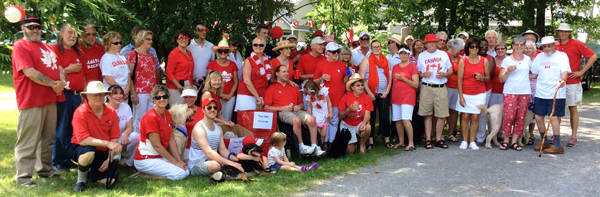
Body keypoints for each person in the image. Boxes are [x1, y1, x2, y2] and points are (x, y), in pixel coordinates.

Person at [12, 15, 66, 187]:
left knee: (47, 138)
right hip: (31, 99)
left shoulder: (47, 47)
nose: (35, 30)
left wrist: (62, 83)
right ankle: (23, 177)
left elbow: (59, 68)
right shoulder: (21, 46)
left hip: (50, 97)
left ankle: (45, 169)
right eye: (31, 27)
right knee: (28, 140)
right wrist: (53, 85)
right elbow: (30, 72)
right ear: (23, 28)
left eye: (37, 27)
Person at [70, 81, 122, 191]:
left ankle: (91, 171)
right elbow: (83, 140)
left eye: (101, 94)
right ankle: (81, 180)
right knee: (89, 153)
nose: (99, 97)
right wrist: (108, 143)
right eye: (95, 94)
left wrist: (109, 158)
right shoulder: (80, 112)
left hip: (103, 151)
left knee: (110, 182)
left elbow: (114, 138)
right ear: (87, 96)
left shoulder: (111, 112)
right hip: (82, 147)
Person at [264, 66, 326, 157]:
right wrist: (282, 108)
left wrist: (298, 106)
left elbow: (301, 104)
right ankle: (301, 147)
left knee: (311, 119)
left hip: (296, 110)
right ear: (277, 74)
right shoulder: (272, 88)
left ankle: (314, 146)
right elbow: (267, 107)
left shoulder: (294, 86)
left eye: (287, 72)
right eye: (283, 72)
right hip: (282, 112)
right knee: (296, 120)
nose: (286, 73)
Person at [555, 23, 598, 147]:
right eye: (561, 31)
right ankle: (556, 134)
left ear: (569, 33)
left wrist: (581, 71)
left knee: (572, 108)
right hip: (557, 82)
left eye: (566, 31)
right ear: (558, 32)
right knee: (557, 109)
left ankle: (574, 136)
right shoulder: (555, 45)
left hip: (572, 81)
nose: (563, 33)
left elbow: (593, 56)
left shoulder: (577, 44)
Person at [133, 85, 190, 180]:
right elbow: (157, 146)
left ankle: (148, 174)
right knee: (180, 174)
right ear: (154, 100)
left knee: (186, 170)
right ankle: (146, 176)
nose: (162, 99)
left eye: (164, 97)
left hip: (159, 157)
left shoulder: (167, 114)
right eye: (158, 97)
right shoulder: (151, 117)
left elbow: (171, 139)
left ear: (168, 98)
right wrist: (175, 163)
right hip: (145, 158)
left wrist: (179, 160)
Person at [51, 23, 84, 172]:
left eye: (75, 34)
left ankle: (67, 158)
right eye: (70, 33)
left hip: (77, 95)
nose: (73, 36)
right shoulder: (54, 50)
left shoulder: (76, 51)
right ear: (61, 34)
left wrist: (83, 94)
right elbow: (50, 73)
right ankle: (57, 160)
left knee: (73, 128)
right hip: (63, 94)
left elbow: (82, 75)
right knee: (61, 128)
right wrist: (67, 69)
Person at [531, 36, 571, 154]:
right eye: (544, 46)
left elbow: (564, 73)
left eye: (549, 46)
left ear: (554, 45)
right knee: (538, 117)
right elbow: (533, 74)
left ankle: (558, 146)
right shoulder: (539, 57)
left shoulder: (562, 56)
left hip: (556, 93)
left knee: (553, 117)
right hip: (540, 92)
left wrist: (562, 81)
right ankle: (545, 141)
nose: (547, 48)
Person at [188, 97, 244, 177]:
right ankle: (223, 171)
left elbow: (223, 150)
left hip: (212, 160)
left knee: (232, 162)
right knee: (215, 166)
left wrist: (235, 159)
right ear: (203, 110)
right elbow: (209, 152)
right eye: (209, 107)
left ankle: (222, 171)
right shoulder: (199, 128)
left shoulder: (218, 128)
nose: (212, 110)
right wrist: (231, 163)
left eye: (215, 107)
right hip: (197, 163)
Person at [416, 34, 453, 150]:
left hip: (441, 86)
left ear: (437, 43)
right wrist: (423, 75)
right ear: (425, 44)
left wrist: (445, 74)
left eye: (433, 42)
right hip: (427, 87)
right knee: (427, 115)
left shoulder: (444, 54)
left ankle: (438, 139)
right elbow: (417, 73)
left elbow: (451, 70)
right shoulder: (422, 56)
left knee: (441, 115)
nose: (431, 44)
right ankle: (428, 139)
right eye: (429, 43)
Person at [498, 36, 533, 151]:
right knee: (509, 116)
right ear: (513, 46)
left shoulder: (527, 59)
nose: (519, 47)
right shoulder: (507, 60)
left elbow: (532, 74)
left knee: (521, 117)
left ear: (524, 46)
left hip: (524, 92)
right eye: (517, 44)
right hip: (510, 91)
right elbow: (501, 79)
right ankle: (506, 139)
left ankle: (515, 141)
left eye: (521, 44)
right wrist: (508, 71)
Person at [356, 40, 392, 150]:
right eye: (374, 47)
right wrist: (370, 93)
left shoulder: (386, 60)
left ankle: (387, 140)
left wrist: (387, 92)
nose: (376, 49)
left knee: (385, 117)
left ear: (381, 48)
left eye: (378, 46)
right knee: (371, 118)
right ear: (371, 49)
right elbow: (362, 78)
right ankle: (370, 142)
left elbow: (389, 78)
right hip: (370, 94)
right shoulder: (366, 60)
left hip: (383, 94)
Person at [313, 42, 348, 150]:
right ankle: (323, 143)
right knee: (324, 122)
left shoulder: (342, 65)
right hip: (324, 100)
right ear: (327, 52)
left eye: (337, 51)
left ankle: (331, 143)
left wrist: (349, 74)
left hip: (338, 98)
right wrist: (321, 78)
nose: (336, 54)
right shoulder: (321, 64)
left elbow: (344, 81)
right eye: (333, 52)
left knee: (334, 122)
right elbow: (315, 81)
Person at [457, 37, 490, 151]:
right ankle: (465, 140)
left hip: (479, 92)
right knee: (465, 116)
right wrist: (461, 96)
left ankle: (472, 141)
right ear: (468, 48)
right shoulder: (463, 61)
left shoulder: (484, 61)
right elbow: (459, 80)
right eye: (472, 47)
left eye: (477, 47)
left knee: (476, 117)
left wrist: (482, 78)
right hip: (466, 92)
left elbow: (488, 78)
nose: (475, 49)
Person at [126, 30, 157, 136]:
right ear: (141, 40)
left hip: (152, 92)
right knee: (139, 120)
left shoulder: (151, 55)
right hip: (140, 91)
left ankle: (148, 144)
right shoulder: (133, 54)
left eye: (151, 39)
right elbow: (128, 75)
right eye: (147, 39)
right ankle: (136, 147)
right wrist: (133, 92)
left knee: (151, 119)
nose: (150, 41)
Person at [391, 45, 419, 151]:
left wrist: (403, 78)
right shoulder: (395, 67)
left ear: (408, 55)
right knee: (397, 120)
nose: (403, 55)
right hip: (396, 96)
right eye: (401, 53)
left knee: (405, 119)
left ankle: (411, 143)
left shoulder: (412, 67)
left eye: (405, 53)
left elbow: (416, 85)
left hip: (408, 96)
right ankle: (401, 142)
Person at [338, 74, 373, 154]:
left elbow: (368, 114)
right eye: (358, 85)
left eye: (362, 85)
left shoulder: (367, 97)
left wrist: (364, 123)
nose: (360, 87)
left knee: (367, 127)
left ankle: (362, 145)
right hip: (347, 124)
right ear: (352, 87)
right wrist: (349, 109)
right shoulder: (346, 97)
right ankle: (353, 143)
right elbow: (340, 116)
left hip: (359, 123)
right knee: (350, 151)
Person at [235, 37, 271, 111]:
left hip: (261, 96)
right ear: (252, 46)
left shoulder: (268, 61)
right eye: (255, 45)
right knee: (246, 120)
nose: (258, 47)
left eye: (261, 45)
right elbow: (246, 81)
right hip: (247, 95)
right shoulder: (249, 60)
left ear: (264, 47)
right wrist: (257, 97)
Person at [105, 85, 137, 169]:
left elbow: (130, 126)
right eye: (115, 94)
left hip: (122, 140)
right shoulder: (103, 108)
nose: (119, 96)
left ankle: (129, 163)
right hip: (107, 141)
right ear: (108, 96)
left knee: (136, 136)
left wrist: (125, 134)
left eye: (120, 93)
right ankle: (110, 159)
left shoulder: (126, 107)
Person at [208, 39, 239, 121]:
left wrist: (230, 95)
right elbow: (208, 82)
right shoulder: (212, 64)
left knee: (227, 118)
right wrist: (220, 94)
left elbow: (236, 82)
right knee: (214, 117)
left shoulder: (233, 64)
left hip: (230, 96)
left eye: (225, 51)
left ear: (228, 53)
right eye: (220, 51)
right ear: (217, 52)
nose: (223, 53)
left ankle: (226, 134)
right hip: (215, 95)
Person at [476, 38, 497, 145]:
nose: (483, 49)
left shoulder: (490, 59)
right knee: (474, 112)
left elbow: (490, 74)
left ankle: (481, 137)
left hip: (485, 89)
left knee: (482, 113)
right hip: (473, 89)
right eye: (481, 46)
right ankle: (474, 135)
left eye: (486, 47)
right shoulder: (473, 58)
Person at [166, 29, 194, 106]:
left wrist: (195, 79)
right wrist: (179, 86)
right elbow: (169, 73)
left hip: (187, 85)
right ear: (177, 40)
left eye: (186, 38)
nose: (184, 40)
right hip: (176, 87)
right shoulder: (174, 54)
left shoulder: (189, 53)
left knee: (186, 110)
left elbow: (188, 70)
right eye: (181, 38)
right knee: (177, 111)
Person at [445, 38, 465, 142]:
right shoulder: (445, 55)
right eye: (460, 50)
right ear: (453, 49)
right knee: (444, 110)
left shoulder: (460, 58)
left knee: (454, 110)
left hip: (457, 87)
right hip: (446, 86)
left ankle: (450, 133)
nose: (461, 52)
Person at [100, 31, 130, 98]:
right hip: (113, 91)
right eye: (116, 43)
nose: (119, 45)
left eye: (120, 42)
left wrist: (127, 89)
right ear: (108, 44)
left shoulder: (122, 57)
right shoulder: (106, 58)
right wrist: (120, 91)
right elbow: (108, 78)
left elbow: (128, 74)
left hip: (124, 91)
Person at [304, 81, 332, 149]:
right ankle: (317, 147)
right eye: (309, 93)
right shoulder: (308, 96)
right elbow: (309, 106)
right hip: (316, 116)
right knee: (318, 133)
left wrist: (331, 112)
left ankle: (321, 146)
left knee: (323, 134)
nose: (310, 95)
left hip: (325, 115)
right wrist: (310, 116)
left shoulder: (323, 91)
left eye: (311, 93)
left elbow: (328, 102)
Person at [181, 86, 203, 161]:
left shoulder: (202, 111)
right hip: (184, 147)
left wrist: (223, 121)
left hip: (199, 146)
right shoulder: (178, 112)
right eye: (186, 97)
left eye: (191, 97)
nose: (188, 99)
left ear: (196, 97)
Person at [524, 41, 537, 144]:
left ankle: (531, 133)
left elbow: (537, 75)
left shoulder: (536, 61)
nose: (528, 50)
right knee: (522, 112)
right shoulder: (521, 60)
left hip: (535, 89)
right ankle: (521, 133)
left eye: (530, 48)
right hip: (523, 89)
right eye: (526, 48)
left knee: (532, 113)